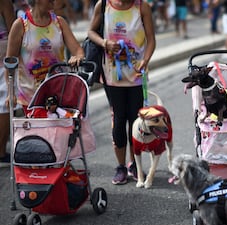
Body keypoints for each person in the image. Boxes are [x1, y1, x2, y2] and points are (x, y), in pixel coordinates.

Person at [87, 0, 156, 185]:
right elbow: (90, 32)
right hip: (112, 75)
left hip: (136, 75)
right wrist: (105, 43)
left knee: (135, 120)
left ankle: (134, 163)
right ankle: (120, 167)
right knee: (118, 119)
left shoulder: (142, 7)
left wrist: (146, 60)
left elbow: (151, 39)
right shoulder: (103, 5)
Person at [5, 0, 84, 118]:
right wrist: (10, 93)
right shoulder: (21, 25)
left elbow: (78, 50)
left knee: (61, 134)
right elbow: (10, 62)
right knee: (43, 134)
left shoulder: (59, 23)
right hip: (31, 98)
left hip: (58, 93)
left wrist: (77, 57)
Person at [0, 0, 16, 164]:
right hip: (3, 60)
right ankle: (0, 149)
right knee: (4, 105)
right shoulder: (4, 3)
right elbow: (14, 31)